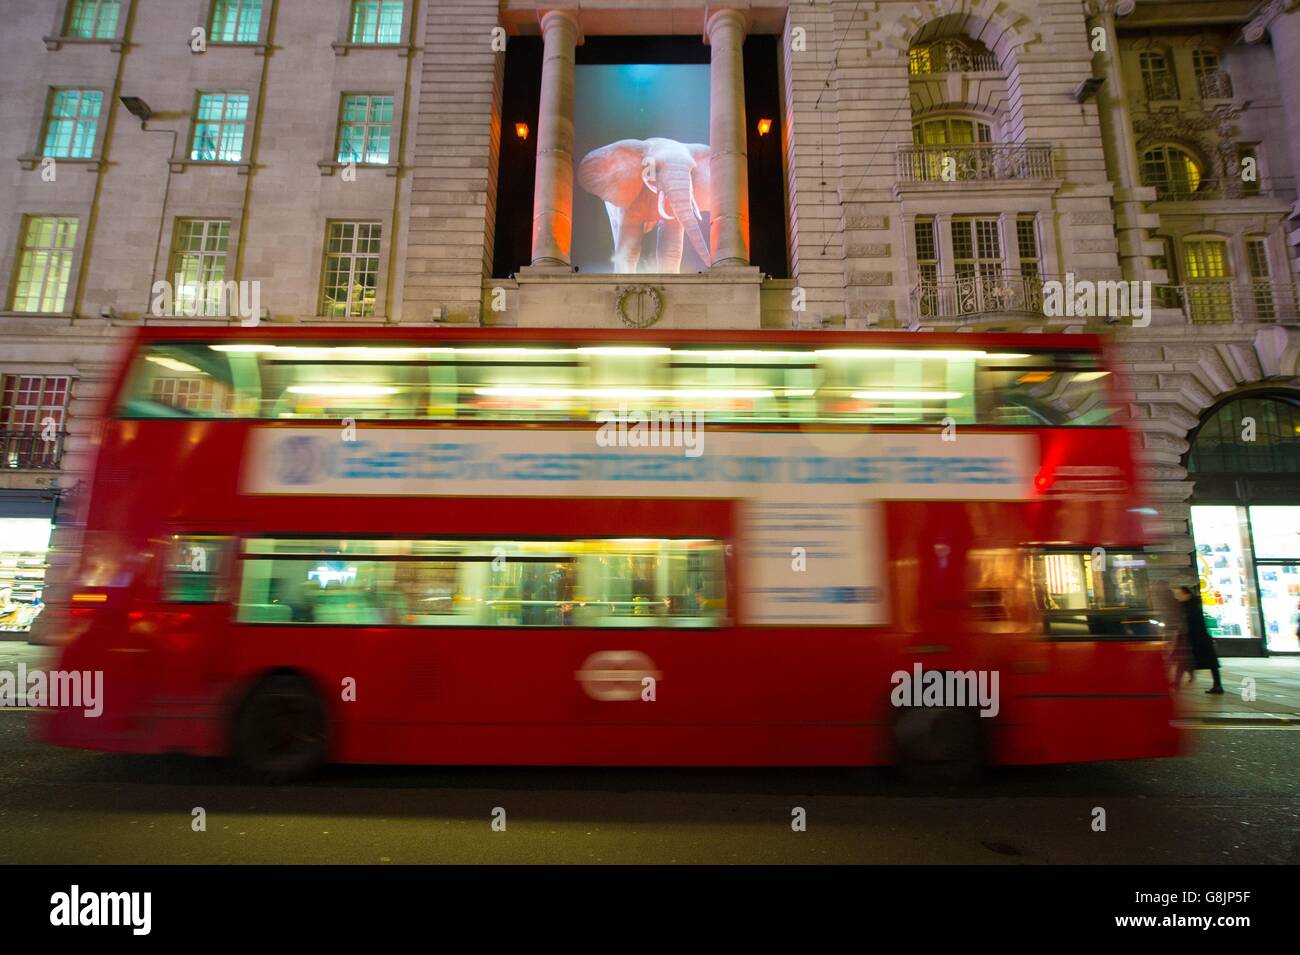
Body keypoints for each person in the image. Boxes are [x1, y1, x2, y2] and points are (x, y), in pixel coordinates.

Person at [1172, 585, 1223, 694]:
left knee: (1209, 663)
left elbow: (1192, 624)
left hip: (1199, 639)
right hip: (1195, 639)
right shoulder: (1188, 605)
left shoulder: (1192, 606)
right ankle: (1217, 685)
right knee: (1208, 663)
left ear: (1187, 594)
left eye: (1180, 594)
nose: (1178, 596)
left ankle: (1218, 686)